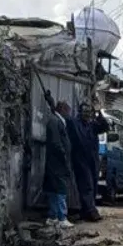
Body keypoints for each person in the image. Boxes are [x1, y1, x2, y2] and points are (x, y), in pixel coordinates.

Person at [63, 100, 101, 222]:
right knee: (86, 185)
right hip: (80, 159)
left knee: (93, 185)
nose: (87, 114)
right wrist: (52, 104)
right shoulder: (74, 123)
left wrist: (99, 112)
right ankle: (90, 211)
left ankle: (87, 210)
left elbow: (104, 126)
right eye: (85, 112)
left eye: (89, 112)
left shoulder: (92, 125)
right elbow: (63, 116)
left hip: (92, 159)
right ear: (80, 112)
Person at [44, 94, 73, 223]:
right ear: (62, 109)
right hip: (57, 162)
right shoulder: (55, 121)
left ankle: (53, 216)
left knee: (54, 189)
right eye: (68, 110)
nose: (69, 114)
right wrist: (64, 156)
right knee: (60, 189)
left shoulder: (58, 120)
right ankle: (61, 217)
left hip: (56, 163)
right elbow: (56, 143)